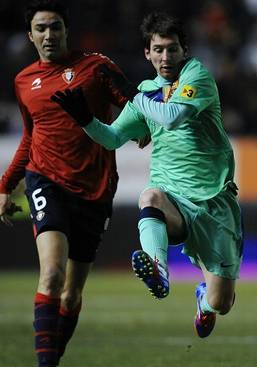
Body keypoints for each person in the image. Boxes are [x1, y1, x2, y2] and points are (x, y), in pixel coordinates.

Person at [52, 11, 243, 338]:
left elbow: (170, 118)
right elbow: (112, 138)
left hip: (215, 202)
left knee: (221, 300)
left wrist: (131, 93)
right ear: (147, 53)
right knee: (150, 197)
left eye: (172, 49)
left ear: (185, 50)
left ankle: (204, 301)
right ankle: (158, 269)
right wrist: (86, 120)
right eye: (158, 50)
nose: (165, 57)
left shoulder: (196, 76)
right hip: (173, 199)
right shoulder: (145, 91)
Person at [0, 1, 132, 365]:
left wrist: (143, 130)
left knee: (71, 295)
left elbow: (134, 107)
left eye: (55, 27)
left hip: (96, 187)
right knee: (52, 273)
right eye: (40, 28)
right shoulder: (24, 80)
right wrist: (4, 186)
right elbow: (30, 137)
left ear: (66, 30)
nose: (48, 35)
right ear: (30, 36)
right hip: (45, 180)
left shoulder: (97, 67)